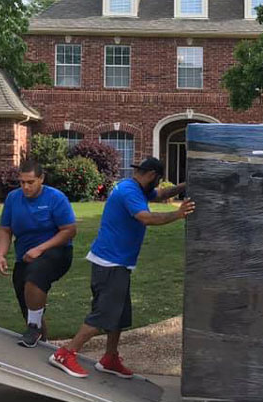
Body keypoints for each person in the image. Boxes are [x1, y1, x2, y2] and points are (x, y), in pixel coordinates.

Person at [49, 157, 195, 378]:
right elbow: (145, 218)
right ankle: (66, 353)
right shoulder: (129, 192)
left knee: (118, 316)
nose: (158, 185)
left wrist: (189, 183)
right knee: (103, 314)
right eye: (158, 180)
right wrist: (177, 214)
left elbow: (163, 194)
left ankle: (110, 358)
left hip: (118, 262)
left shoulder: (136, 187)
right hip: (110, 262)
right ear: (153, 176)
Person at [0, 159, 77, 348]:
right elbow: (5, 229)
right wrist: (1, 254)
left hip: (57, 251)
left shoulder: (55, 198)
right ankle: (43, 341)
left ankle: (34, 327)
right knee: (25, 296)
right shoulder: (13, 198)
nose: (26, 187)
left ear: (41, 179)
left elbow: (69, 231)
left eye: (30, 182)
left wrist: (40, 249)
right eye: (22, 182)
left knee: (34, 278)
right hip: (25, 256)